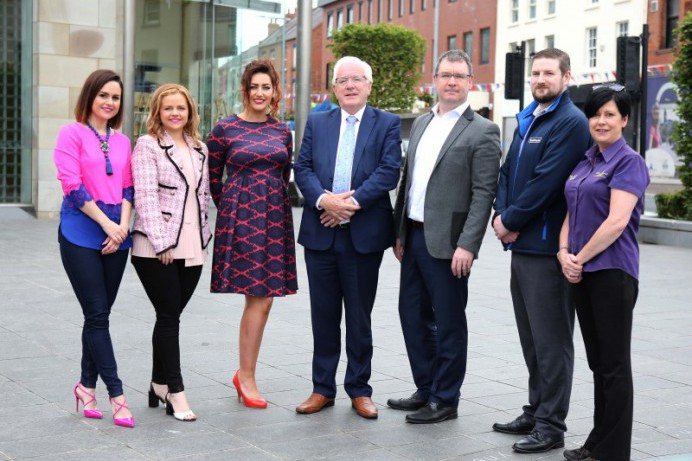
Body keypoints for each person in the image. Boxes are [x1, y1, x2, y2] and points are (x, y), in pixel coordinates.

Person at [388, 50, 501, 424]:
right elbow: (408, 181)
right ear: (434, 79)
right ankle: (427, 387)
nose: (452, 82)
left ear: (470, 82)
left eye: (459, 76)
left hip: (450, 244)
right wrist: (400, 230)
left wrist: (468, 244)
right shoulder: (420, 124)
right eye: (445, 75)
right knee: (412, 316)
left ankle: (446, 398)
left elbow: (484, 193)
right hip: (415, 236)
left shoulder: (483, 131)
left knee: (449, 322)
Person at [491, 48, 591, 453]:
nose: (541, 78)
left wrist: (510, 221)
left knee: (552, 342)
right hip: (521, 246)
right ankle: (536, 409)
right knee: (531, 338)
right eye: (536, 72)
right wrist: (501, 215)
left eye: (549, 73)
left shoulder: (570, 122)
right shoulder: (530, 116)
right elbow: (506, 171)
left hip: (548, 248)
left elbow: (546, 184)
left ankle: (551, 425)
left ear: (566, 77)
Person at [293, 56, 401, 419]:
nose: (350, 85)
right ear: (334, 87)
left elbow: (388, 171)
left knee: (359, 316)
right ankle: (322, 388)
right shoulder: (318, 121)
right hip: (320, 233)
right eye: (343, 80)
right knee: (322, 315)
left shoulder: (386, 123)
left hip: (363, 234)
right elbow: (302, 167)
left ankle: (359, 388)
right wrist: (324, 200)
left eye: (357, 79)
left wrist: (349, 204)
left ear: (369, 85)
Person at [559, 86, 649, 461]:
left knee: (613, 364)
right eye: (596, 114)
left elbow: (616, 223)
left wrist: (577, 258)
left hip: (612, 272)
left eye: (610, 114)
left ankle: (613, 452)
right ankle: (598, 441)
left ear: (624, 120)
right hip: (582, 270)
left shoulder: (629, 162)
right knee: (598, 362)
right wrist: (563, 252)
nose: (601, 121)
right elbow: (570, 213)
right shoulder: (586, 161)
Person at [208, 59, 297, 409]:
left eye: (267, 87)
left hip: (275, 217)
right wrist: (234, 210)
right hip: (242, 217)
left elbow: (285, 172)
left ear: (274, 92)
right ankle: (246, 377)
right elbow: (214, 180)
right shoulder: (224, 129)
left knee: (266, 297)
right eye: (254, 87)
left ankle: (245, 373)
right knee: (257, 297)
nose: (260, 93)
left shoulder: (281, 131)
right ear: (244, 90)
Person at [53, 69, 135, 428]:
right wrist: (108, 225)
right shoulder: (70, 133)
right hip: (81, 230)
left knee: (96, 315)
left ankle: (86, 387)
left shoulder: (123, 141)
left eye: (115, 97)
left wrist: (123, 228)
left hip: (117, 233)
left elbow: (129, 188)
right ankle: (117, 396)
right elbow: (72, 186)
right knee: (98, 315)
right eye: (103, 95)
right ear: (90, 96)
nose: (109, 102)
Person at [131, 84, 211, 422]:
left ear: (190, 111)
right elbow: (145, 196)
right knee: (168, 317)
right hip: (155, 247)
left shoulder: (199, 148)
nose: (175, 113)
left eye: (181, 108)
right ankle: (176, 392)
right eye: (168, 109)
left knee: (170, 317)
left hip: (193, 245)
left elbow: (202, 196)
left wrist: (205, 238)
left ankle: (158, 383)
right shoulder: (147, 145)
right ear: (158, 113)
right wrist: (162, 242)